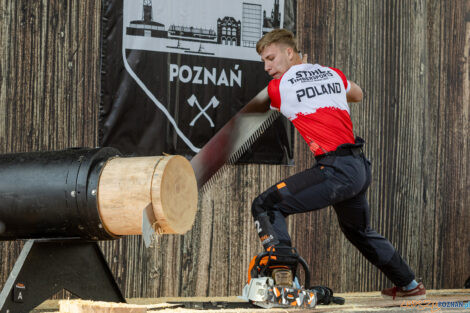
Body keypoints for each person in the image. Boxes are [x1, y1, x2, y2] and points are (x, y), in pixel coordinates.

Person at [248, 28, 426, 300]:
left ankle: (283, 286)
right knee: (359, 231)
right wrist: (315, 75)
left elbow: (260, 108)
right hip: (357, 167)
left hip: (336, 170)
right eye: (263, 61)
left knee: (266, 204)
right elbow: (358, 94)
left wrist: (298, 77)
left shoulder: (279, 87)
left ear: (289, 51)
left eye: (271, 58)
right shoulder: (332, 73)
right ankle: (410, 285)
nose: (267, 67)